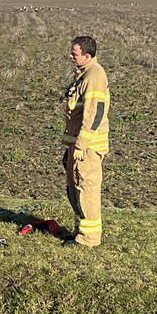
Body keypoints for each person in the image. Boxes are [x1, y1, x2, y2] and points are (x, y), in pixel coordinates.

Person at [62, 35, 110, 247]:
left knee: (86, 190)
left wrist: (81, 145)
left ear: (87, 56)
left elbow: (95, 113)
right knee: (75, 189)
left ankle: (89, 239)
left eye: (74, 54)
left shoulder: (95, 76)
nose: (71, 57)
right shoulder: (84, 73)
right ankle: (79, 232)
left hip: (88, 148)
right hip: (79, 146)